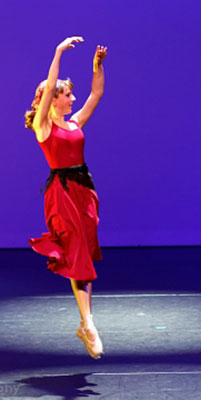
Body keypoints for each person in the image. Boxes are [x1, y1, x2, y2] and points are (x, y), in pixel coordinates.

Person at [24, 36, 107, 359]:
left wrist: (96, 66)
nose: (73, 98)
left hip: (85, 192)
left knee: (84, 254)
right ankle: (89, 324)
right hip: (62, 195)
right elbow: (47, 92)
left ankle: (86, 324)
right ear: (53, 99)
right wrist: (57, 53)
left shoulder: (75, 123)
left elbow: (96, 94)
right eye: (67, 94)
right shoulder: (44, 127)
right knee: (76, 254)